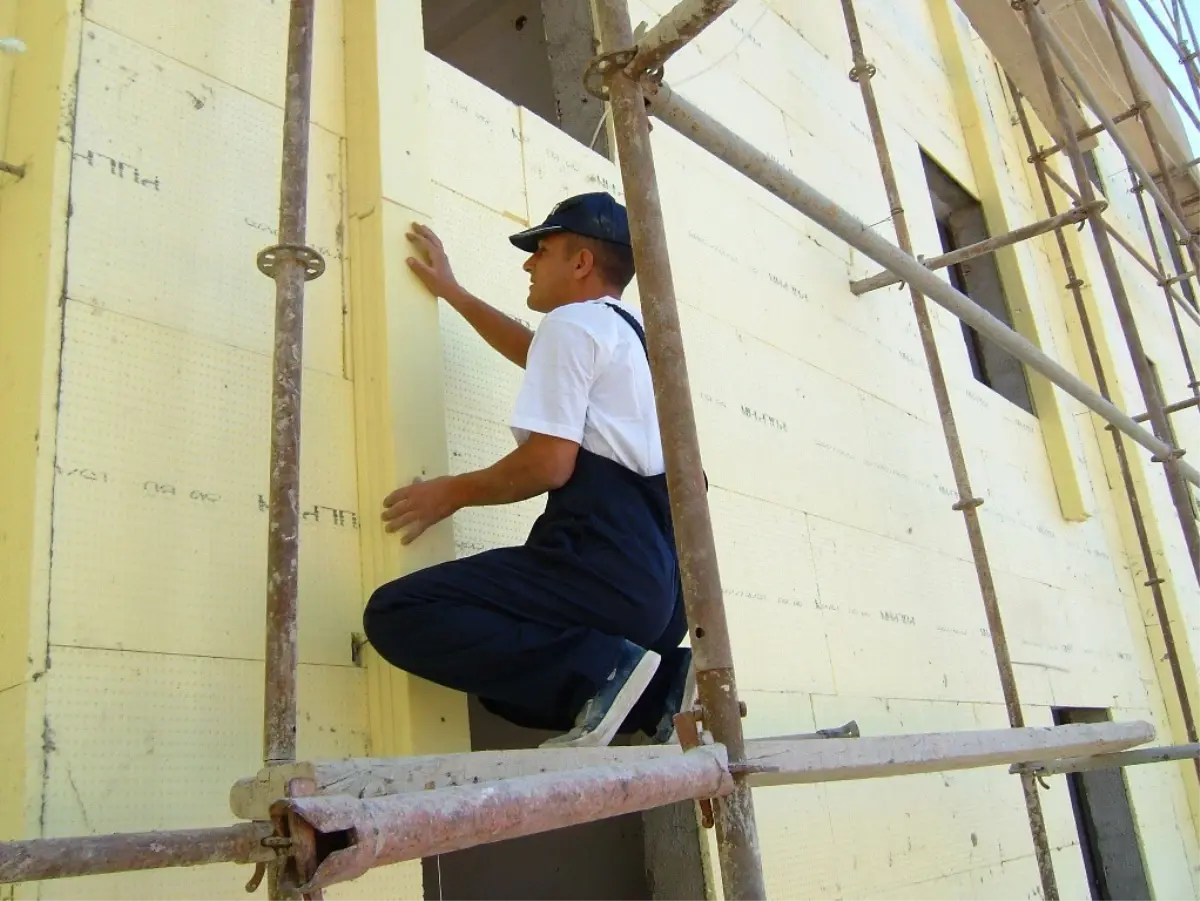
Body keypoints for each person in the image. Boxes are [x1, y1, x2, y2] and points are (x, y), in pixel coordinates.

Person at [362, 191, 694, 748]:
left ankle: (608, 672)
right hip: (663, 590)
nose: (528, 263)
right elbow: (533, 350)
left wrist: (451, 493)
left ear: (581, 262)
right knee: (507, 687)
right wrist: (456, 294)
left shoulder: (574, 326)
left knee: (398, 613)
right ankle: (665, 684)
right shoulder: (633, 338)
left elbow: (549, 464)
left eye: (541, 250)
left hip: (604, 562)